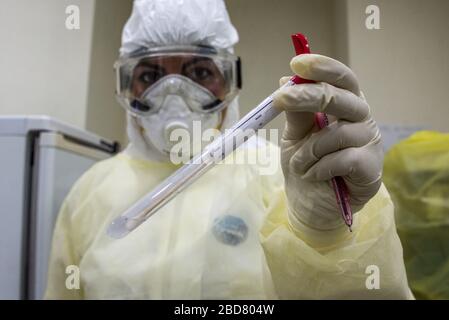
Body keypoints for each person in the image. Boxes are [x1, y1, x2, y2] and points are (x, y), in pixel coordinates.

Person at [45, 0, 413, 299]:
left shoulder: (288, 174)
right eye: (150, 76)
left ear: (229, 82)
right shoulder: (90, 193)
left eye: (200, 73)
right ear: (126, 86)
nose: (174, 93)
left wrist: (326, 236)